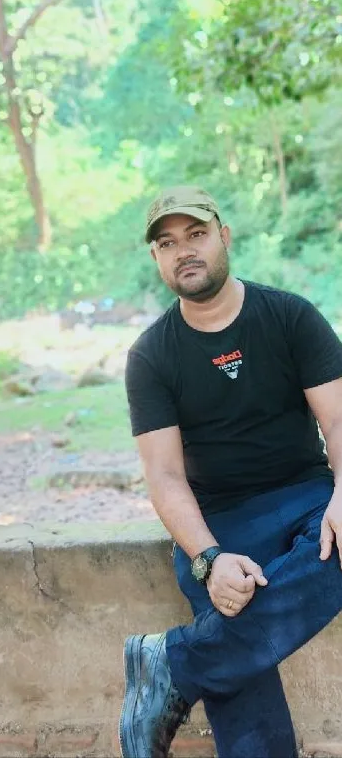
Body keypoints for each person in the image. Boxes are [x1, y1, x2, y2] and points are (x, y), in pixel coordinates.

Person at [118, 185, 342, 758]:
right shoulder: (151, 355)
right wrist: (209, 559)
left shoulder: (289, 316)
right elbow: (165, 477)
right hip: (217, 519)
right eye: (167, 243)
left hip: (307, 497)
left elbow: (338, 423)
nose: (184, 250)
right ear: (156, 259)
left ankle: (175, 663)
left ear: (224, 236)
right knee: (230, 604)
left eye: (195, 234)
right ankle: (188, 660)